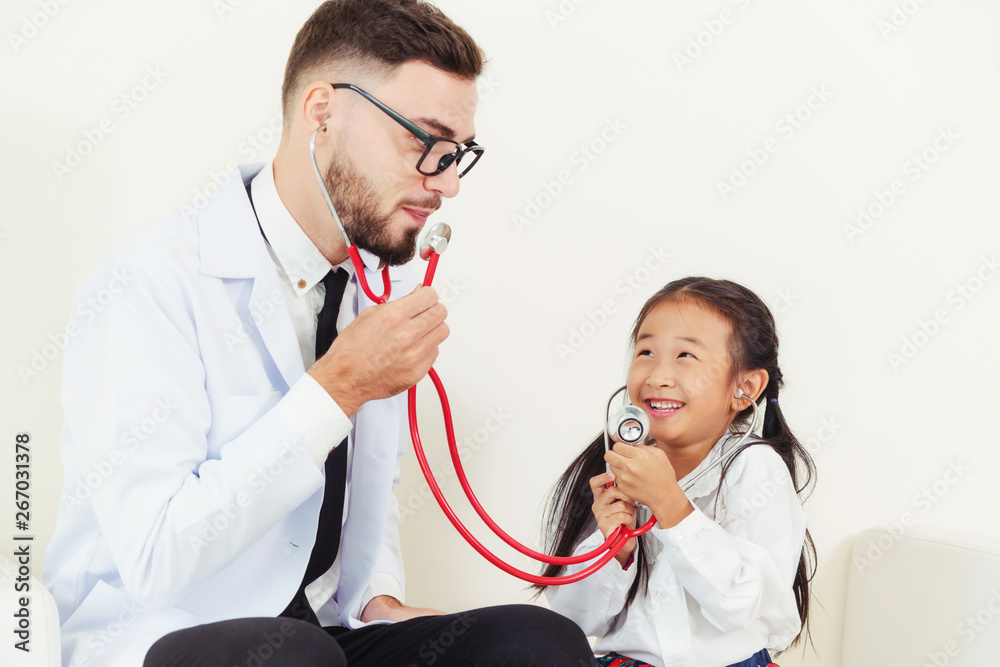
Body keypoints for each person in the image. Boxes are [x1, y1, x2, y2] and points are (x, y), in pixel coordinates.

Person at [43, 1, 596, 665]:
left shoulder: (371, 289)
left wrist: (380, 596)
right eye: (425, 142)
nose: (446, 183)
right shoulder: (149, 281)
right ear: (322, 113)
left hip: (322, 637)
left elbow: (367, 498)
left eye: (457, 154)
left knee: (537, 642)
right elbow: (156, 555)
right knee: (293, 657)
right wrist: (340, 385)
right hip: (159, 633)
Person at [535, 277, 817, 667]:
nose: (658, 376)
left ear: (744, 387)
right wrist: (615, 548)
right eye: (646, 351)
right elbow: (573, 620)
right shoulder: (613, 466)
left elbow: (740, 603)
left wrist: (672, 506)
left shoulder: (754, 467)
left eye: (685, 356)